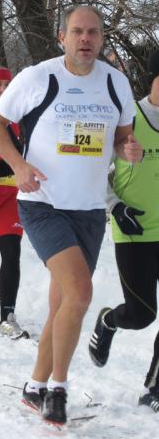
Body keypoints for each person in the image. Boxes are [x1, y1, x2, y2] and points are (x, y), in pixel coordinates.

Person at [0, 5, 142, 426]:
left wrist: (128, 149)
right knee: (81, 293)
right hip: (43, 203)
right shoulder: (40, 77)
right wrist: (18, 166)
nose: (85, 39)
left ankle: (34, 385)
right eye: (77, 32)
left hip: (89, 209)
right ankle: (58, 388)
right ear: (62, 37)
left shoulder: (116, 84)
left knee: (64, 304)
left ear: (102, 38)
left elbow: (123, 137)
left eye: (93, 32)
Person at [88, 50, 159, 413]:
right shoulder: (129, 117)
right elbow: (94, 167)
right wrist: (115, 206)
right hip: (135, 230)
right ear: (152, 79)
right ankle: (109, 320)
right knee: (143, 314)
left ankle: (156, 386)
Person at [0, 67, 27, 338]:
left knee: (12, 254)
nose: (2, 89)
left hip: (9, 197)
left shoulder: (20, 117)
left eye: (6, 84)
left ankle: (6, 315)